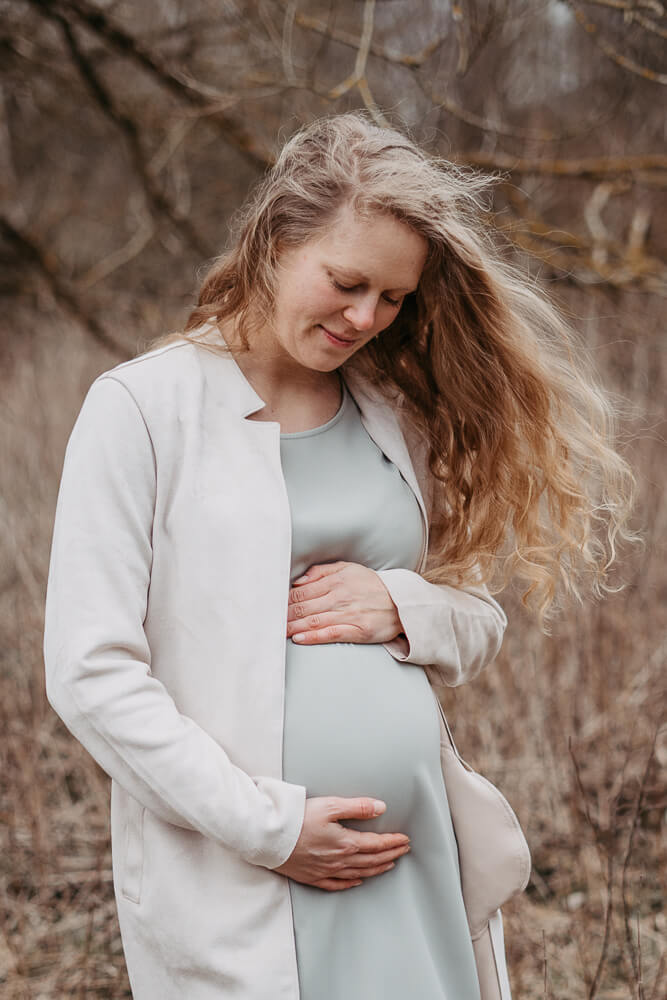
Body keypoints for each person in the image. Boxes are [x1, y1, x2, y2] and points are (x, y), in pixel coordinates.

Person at [43, 112, 636, 1000]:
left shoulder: (390, 412)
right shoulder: (142, 410)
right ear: (275, 241)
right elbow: (89, 674)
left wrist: (405, 605)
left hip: (412, 856)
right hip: (251, 871)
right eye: (347, 281)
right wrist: (274, 828)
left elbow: (475, 618)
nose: (366, 317)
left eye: (393, 298)